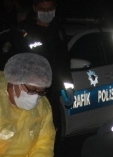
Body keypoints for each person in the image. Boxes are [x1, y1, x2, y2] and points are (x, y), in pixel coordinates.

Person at [14, 0, 71, 131]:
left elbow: (63, 63)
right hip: (30, 92)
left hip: (52, 91)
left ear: (55, 7)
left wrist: (68, 87)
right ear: (35, 8)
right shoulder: (24, 31)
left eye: (49, 9)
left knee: (50, 128)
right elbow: (14, 63)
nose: (46, 12)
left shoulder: (58, 31)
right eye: (42, 9)